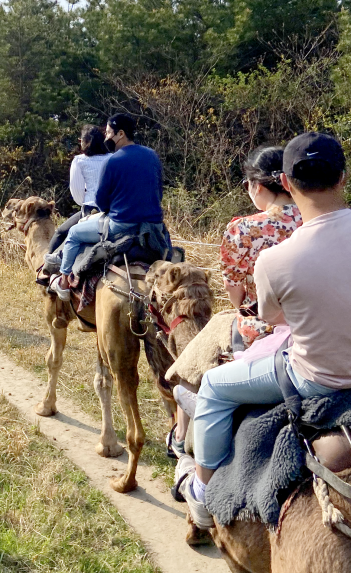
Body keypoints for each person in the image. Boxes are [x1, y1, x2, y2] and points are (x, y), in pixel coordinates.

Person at [176, 132, 351, 529]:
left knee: (214, 385)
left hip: (320, 379)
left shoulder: (274, 260)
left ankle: (201, 492)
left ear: (285, 182)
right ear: (344, 178)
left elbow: (274, 318)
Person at [168, 146, 302, 457]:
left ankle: (184, 437)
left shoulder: (243, 228)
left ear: (256, 185)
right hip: (315, 321)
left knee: (203, 350)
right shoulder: (311, 218)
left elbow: (236, 296)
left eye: (247, 184)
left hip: (261, 323)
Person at [50, 113, 167, 300]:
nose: (106, 137)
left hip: (121, 225)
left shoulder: (113, 161)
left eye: (108, 133)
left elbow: (102, 202)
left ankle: (63, 282)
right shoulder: (152, 155)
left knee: (73, 234)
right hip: (153, 226)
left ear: (120, 134)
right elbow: (159, 192)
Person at [45, 125, 111, 256]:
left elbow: (77, 192)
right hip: (114, 210)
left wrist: (84, 203)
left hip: (91, 209)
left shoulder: (79, 161)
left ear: (85, 141)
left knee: (60, 233)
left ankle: (47, 268)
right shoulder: (113, 157)